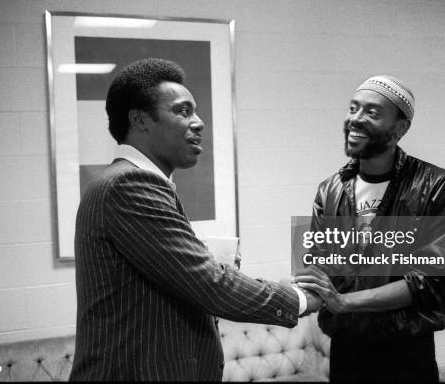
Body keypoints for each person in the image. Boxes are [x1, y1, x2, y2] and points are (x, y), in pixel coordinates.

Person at [70, 58, 322, 381]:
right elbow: (210, 284)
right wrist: (304, 298)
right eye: (183, 111)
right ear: (139, 120)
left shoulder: (131, 183)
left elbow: (177, 280)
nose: (199, 122)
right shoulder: (128, 185)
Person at [293, 75, 445, 382]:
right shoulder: (329, 190)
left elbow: (428, 281)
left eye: (372, 112)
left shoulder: (438, 185)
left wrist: (344, 302)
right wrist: (295, 292)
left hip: (406, 354)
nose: (355, 119)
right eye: (353, 108)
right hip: (346, 351)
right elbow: (321, 266)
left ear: (400, 128)